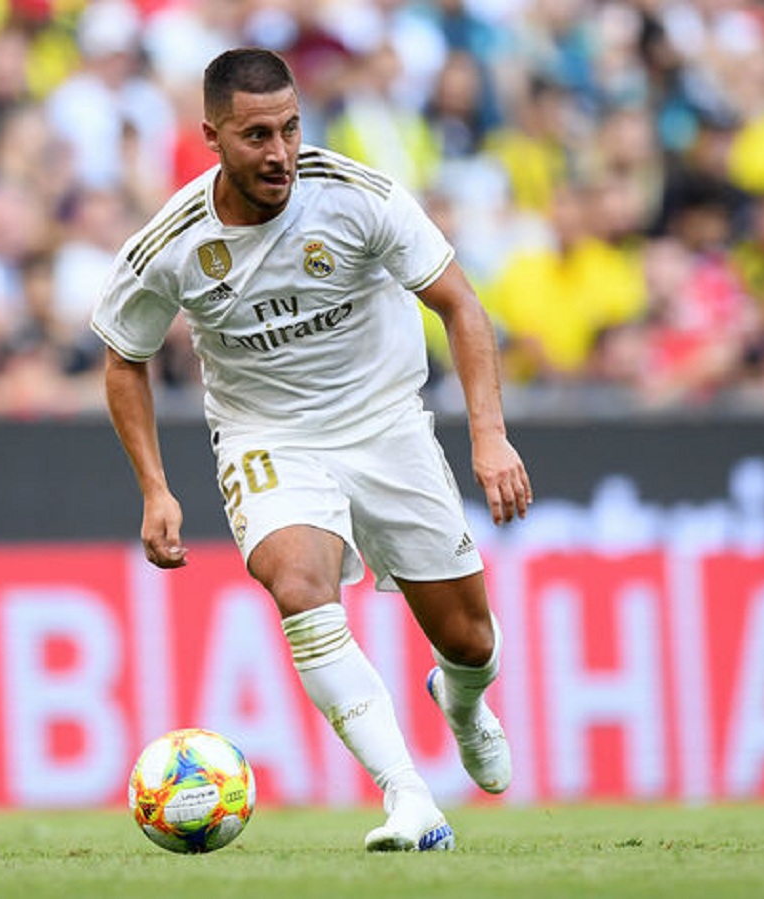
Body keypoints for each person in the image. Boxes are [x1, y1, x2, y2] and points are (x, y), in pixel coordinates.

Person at [91, 48, 532, 852]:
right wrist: (155, 487)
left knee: (471, 641)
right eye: (257, 135)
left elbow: (460, 304)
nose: (280, 152)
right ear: (211, 138)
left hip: (385, 423)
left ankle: (462, 700)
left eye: (291, 129)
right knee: (298, 585)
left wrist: (490, 434)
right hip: (268, 437)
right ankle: (409, 797)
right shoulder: (173, 243)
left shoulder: (357, 196)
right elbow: (125, 358)